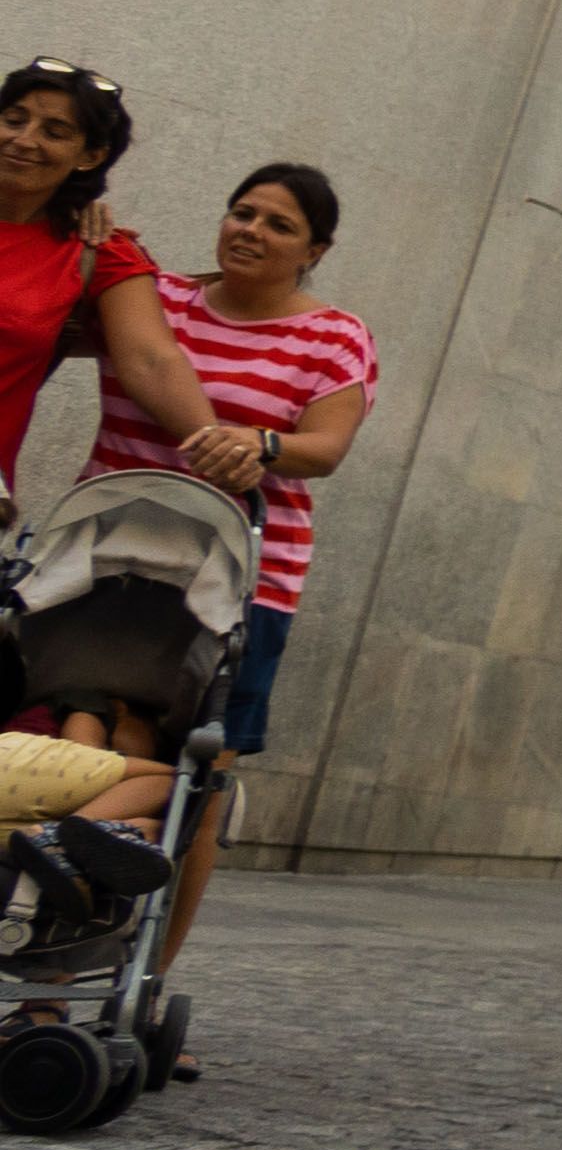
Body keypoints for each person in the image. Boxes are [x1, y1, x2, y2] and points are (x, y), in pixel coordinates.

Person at [80, 163, 382, 994]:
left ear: (314, 249)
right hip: (107, 566)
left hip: (245, 580)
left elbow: (326, 446)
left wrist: (264, 445)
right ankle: (61, 921)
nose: (250, 230)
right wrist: (86, 240)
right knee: (89, 733)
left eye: (279, 225)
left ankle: (145, 979)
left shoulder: (334, 337)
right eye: (241, 212)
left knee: (202, 776)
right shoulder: (162, 302)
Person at [0, 63, 216, 521]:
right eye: (14, 119)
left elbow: (152, 361)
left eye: (54, 131)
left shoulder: (96, 250)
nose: (24, 139)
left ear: (91, 155)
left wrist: (216, 448)